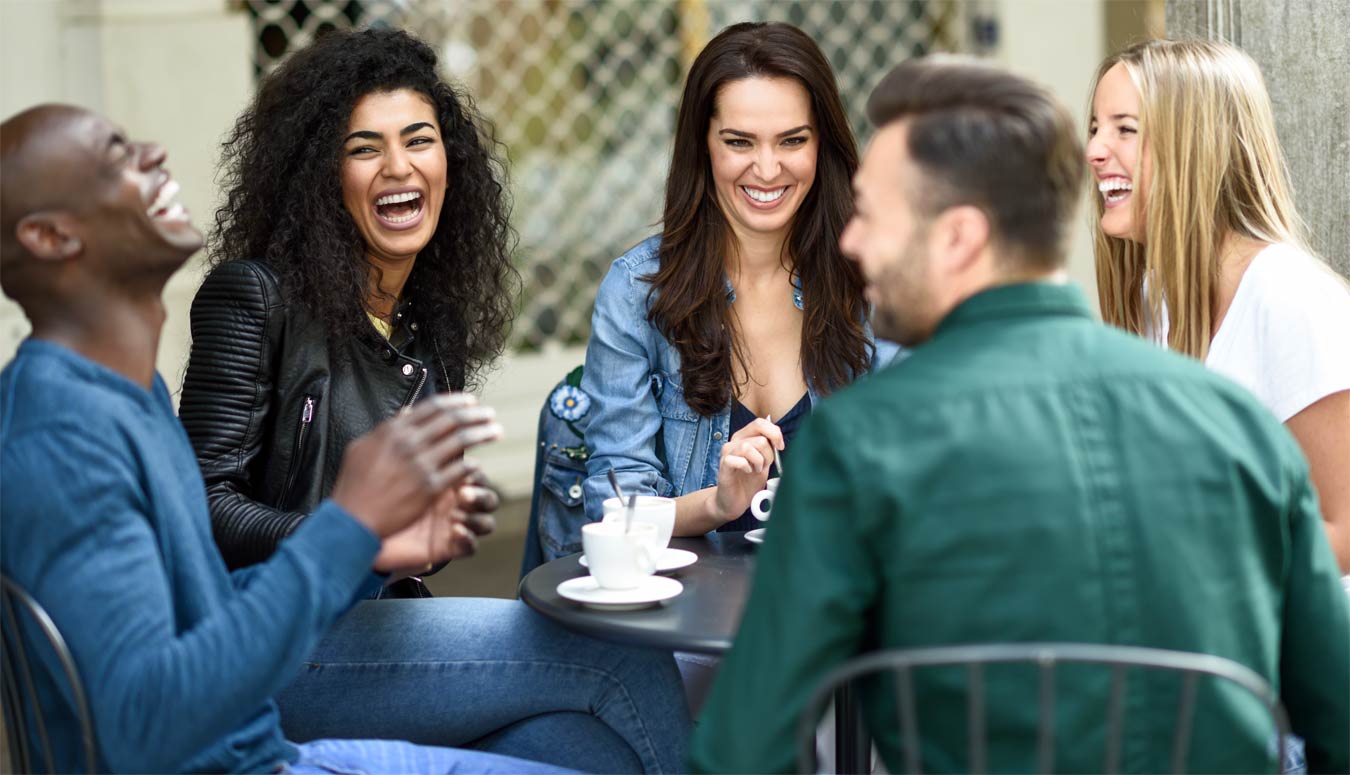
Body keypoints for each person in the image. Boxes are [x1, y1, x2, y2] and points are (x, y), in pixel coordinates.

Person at [688, 57, 1349, 773]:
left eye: (872, 215)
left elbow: (741, 749)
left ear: (960, 237)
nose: (850, 242)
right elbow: (1337, 712)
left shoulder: (858, 444)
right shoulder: (1235, 422)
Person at [0, 105, 691, 774]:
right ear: (49, 237)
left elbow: (201, 609)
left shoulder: (125, 390)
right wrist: (348, 527)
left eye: (420, 140)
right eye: (115, 154)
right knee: (621, 657)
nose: (152, 151)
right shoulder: (62, 435)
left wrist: (377, 549)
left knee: (578, 746)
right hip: (269, 733)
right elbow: (144, 723)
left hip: (270, 727)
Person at [179, 27, 516, 597]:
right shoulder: (254, 297)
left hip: (378, 613)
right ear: (319, 179)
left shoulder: (436, 319)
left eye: (418, 140)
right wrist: (355, 539)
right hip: (273, 631)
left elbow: (417, 544)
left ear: (449, 161)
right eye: (364, 148)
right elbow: (201, 505)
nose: (398, 167)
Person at [576, 21, 897, 548]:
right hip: (683, 617)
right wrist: (718, 504)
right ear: (703, 146)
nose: (767, 169)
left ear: (822, 145)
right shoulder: (636, 292)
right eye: (739, 142)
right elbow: (617, 508)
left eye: (792, 140)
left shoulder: (879, 283)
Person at [1087, 39, 1350, 573]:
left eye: (1125, 129)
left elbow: (1345, 533)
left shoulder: (1288, 296)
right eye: (1095, 127)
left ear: (1194, 145)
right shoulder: (1154, 301)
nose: (1094, 151)